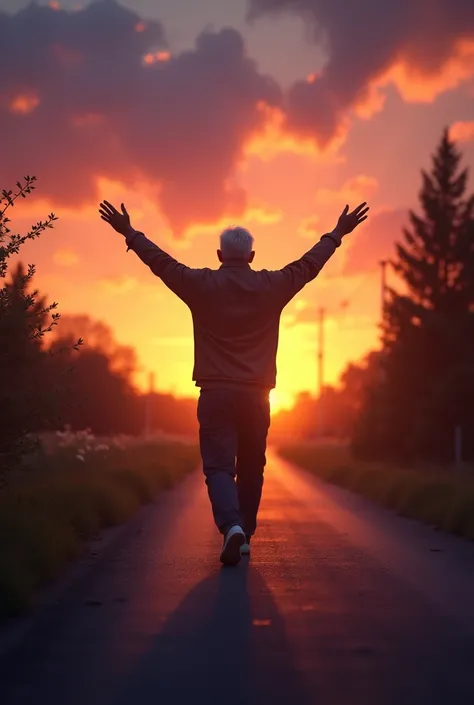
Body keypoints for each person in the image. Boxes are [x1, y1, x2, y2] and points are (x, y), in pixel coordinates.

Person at [98, 200, 369, 565]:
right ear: (252, 256)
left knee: (219, 467)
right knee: (253, 465)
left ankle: (233, 528)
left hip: (215, 393)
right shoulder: (272, 285)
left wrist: (130, 233)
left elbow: (161, 263)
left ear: (219, 254)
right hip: (257, 396)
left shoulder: (200, 284)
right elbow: (308, 266)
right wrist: (337, 234)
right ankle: (243, 530)